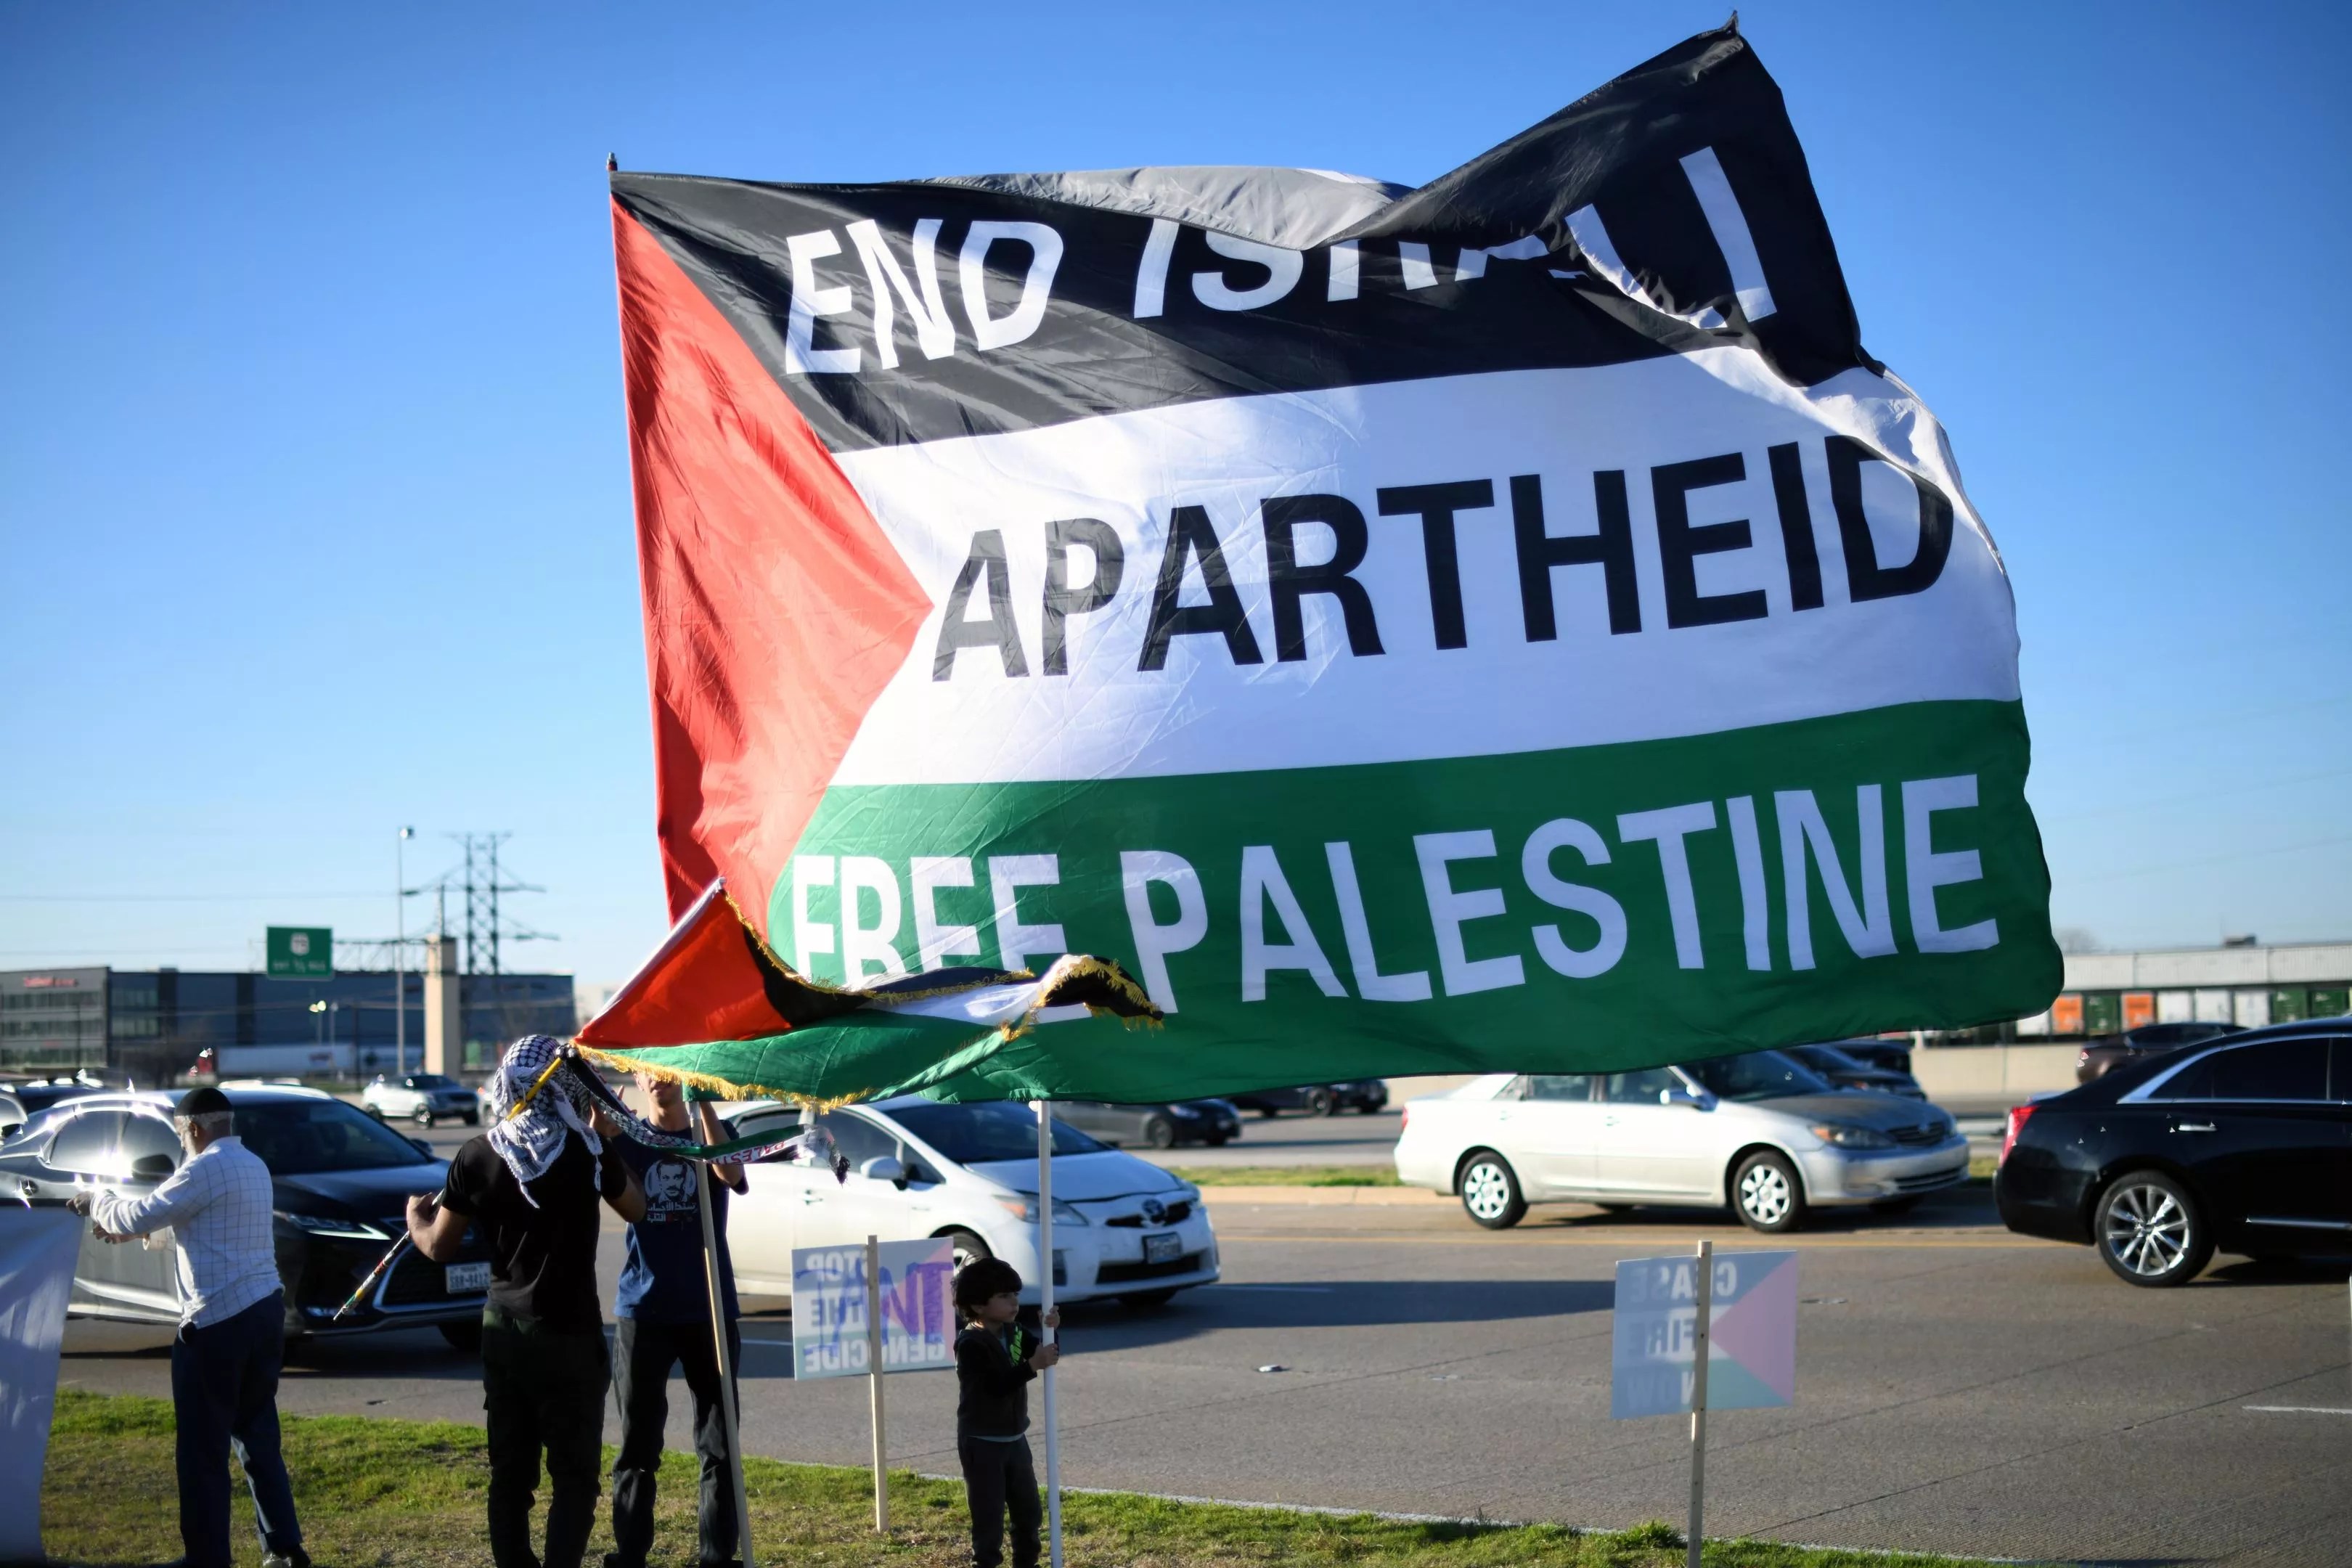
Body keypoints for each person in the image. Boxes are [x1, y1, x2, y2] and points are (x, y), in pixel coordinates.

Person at [407, 1035, 645, 1568]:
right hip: (572, 1334)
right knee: (575, 1477)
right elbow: (636, 1207)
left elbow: (438, 1246)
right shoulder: (583, 1149)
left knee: (510, 1476)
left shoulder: (476, 1155)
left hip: (505, 1334)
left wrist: (414, 1220)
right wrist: (604, 1137)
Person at [70, 1085, 309, 1568]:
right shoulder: (252, 1165)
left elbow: (139, 1211)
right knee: (258, 1436)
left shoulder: (204, 1168)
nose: (182, 1145)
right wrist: (131, 1229)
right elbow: (198, 1224)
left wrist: (100, 1200)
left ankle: (206, 1557)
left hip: (217, 1323)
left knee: (202, 1452)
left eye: (181, 1137)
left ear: (195, 1130)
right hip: (265, 1311)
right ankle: (283, 1548)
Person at [605, 1071, 748, 1568]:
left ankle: (717, 1555)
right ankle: (629, 1554)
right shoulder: (628, 1138)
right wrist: (602, 1136)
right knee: (638, 1445)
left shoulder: (711, 1134)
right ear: (641, 1079)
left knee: (719, 1444)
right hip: (643, 1309)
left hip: (708, 1307)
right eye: (651, 1072)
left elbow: (730, 1174)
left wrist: (705, 1105)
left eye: (671, 1072)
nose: (659, 1080)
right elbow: (610, 1193)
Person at [952, 1258, 1061, 1568]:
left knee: (1029, 1513)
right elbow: (993, 1387)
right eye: (1003, 1296)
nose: (1014, 1302)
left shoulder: (1014, 1331)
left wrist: (1051, 1333)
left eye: (1015, 1294)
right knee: (989, 1518)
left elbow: (1047, 1355)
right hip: (982, 1442)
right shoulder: (971, 1343)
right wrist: (1031, 1366)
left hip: (1014, 1438)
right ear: (977, 1305)